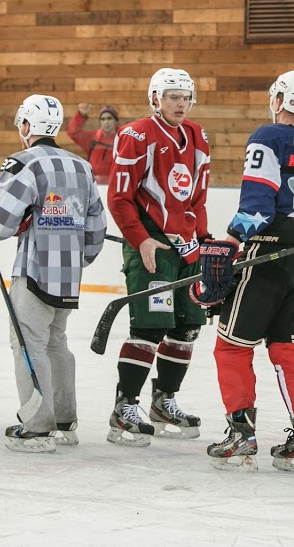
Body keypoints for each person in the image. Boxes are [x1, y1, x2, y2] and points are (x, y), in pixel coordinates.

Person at [195, 70, 294, 473]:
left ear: (279, 100)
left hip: (265, 256)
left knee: (232, 346)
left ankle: (241, 435)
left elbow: (257, 204)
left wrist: (232, 241)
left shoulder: (267, 137)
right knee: (291, 350)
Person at [0, 94, 106, 453]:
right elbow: (95, 229)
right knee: (55, 342)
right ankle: (64, 421)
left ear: (27, 126)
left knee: (28, 344)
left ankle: (37, 426)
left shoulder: (23, 163)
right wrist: (76, 259)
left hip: (33, 272)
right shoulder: (82, 166)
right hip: (68, 275)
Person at [105, 67, 211, 446]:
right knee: (150, 326)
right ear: (155, 99)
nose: (180, 103)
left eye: (186, 97)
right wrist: (140, 240)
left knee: (187, 325)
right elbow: (119, 197)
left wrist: (203, 241)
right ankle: (124, 407)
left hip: (186, 247)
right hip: (151, 242)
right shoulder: (135, 135)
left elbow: (197, 197)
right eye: (172, 96)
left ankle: (164, 401)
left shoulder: (198, 136)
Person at [66, 103, 119, 185]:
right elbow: (73, 133)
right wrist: (81, 115)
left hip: (114, 185)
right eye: (103, 119)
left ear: (115, 121)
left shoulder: (122, 139)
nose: (106, 122)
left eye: (109, 118)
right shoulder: (92, 138)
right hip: (93, 184)